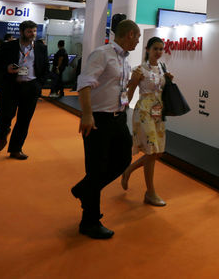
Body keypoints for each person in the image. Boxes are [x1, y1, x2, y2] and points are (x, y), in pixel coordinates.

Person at [71, 19, 140, 239]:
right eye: (137, 37)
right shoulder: (102, 54)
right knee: (96, 168)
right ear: (129, 34)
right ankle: (89, 221)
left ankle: (84, 189)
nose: (139, 41)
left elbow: (121, 93)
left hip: (118, 118)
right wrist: (87, 114)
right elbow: (84, 83)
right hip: (98, 119)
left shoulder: (125, 61)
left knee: (122, 160)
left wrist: (133, 86)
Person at [121, 37, 173, 206]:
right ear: (148, 49)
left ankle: (128, 170)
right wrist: (121, 109)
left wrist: (169, 79)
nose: (158, 52)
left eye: (161, 49)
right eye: (155, 48)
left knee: (158, 152)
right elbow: (130, 91)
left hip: (158, 111)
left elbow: (163, 90)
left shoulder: (162, 67)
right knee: (151, 151)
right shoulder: (140, 69)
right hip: (144, 111)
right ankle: (150, 193)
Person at [0, 21, 48, 159]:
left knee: (24, 120)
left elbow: (45, 67)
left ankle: (16, 149)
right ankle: (3, 132)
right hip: (11, 86)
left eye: (34, 31)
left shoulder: (41, 47)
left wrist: (39, 85)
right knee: (5, 115)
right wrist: (7, 68)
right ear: (22, 32)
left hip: (31, 87)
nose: (33, 34)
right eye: (30, 31)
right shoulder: (7, 46)